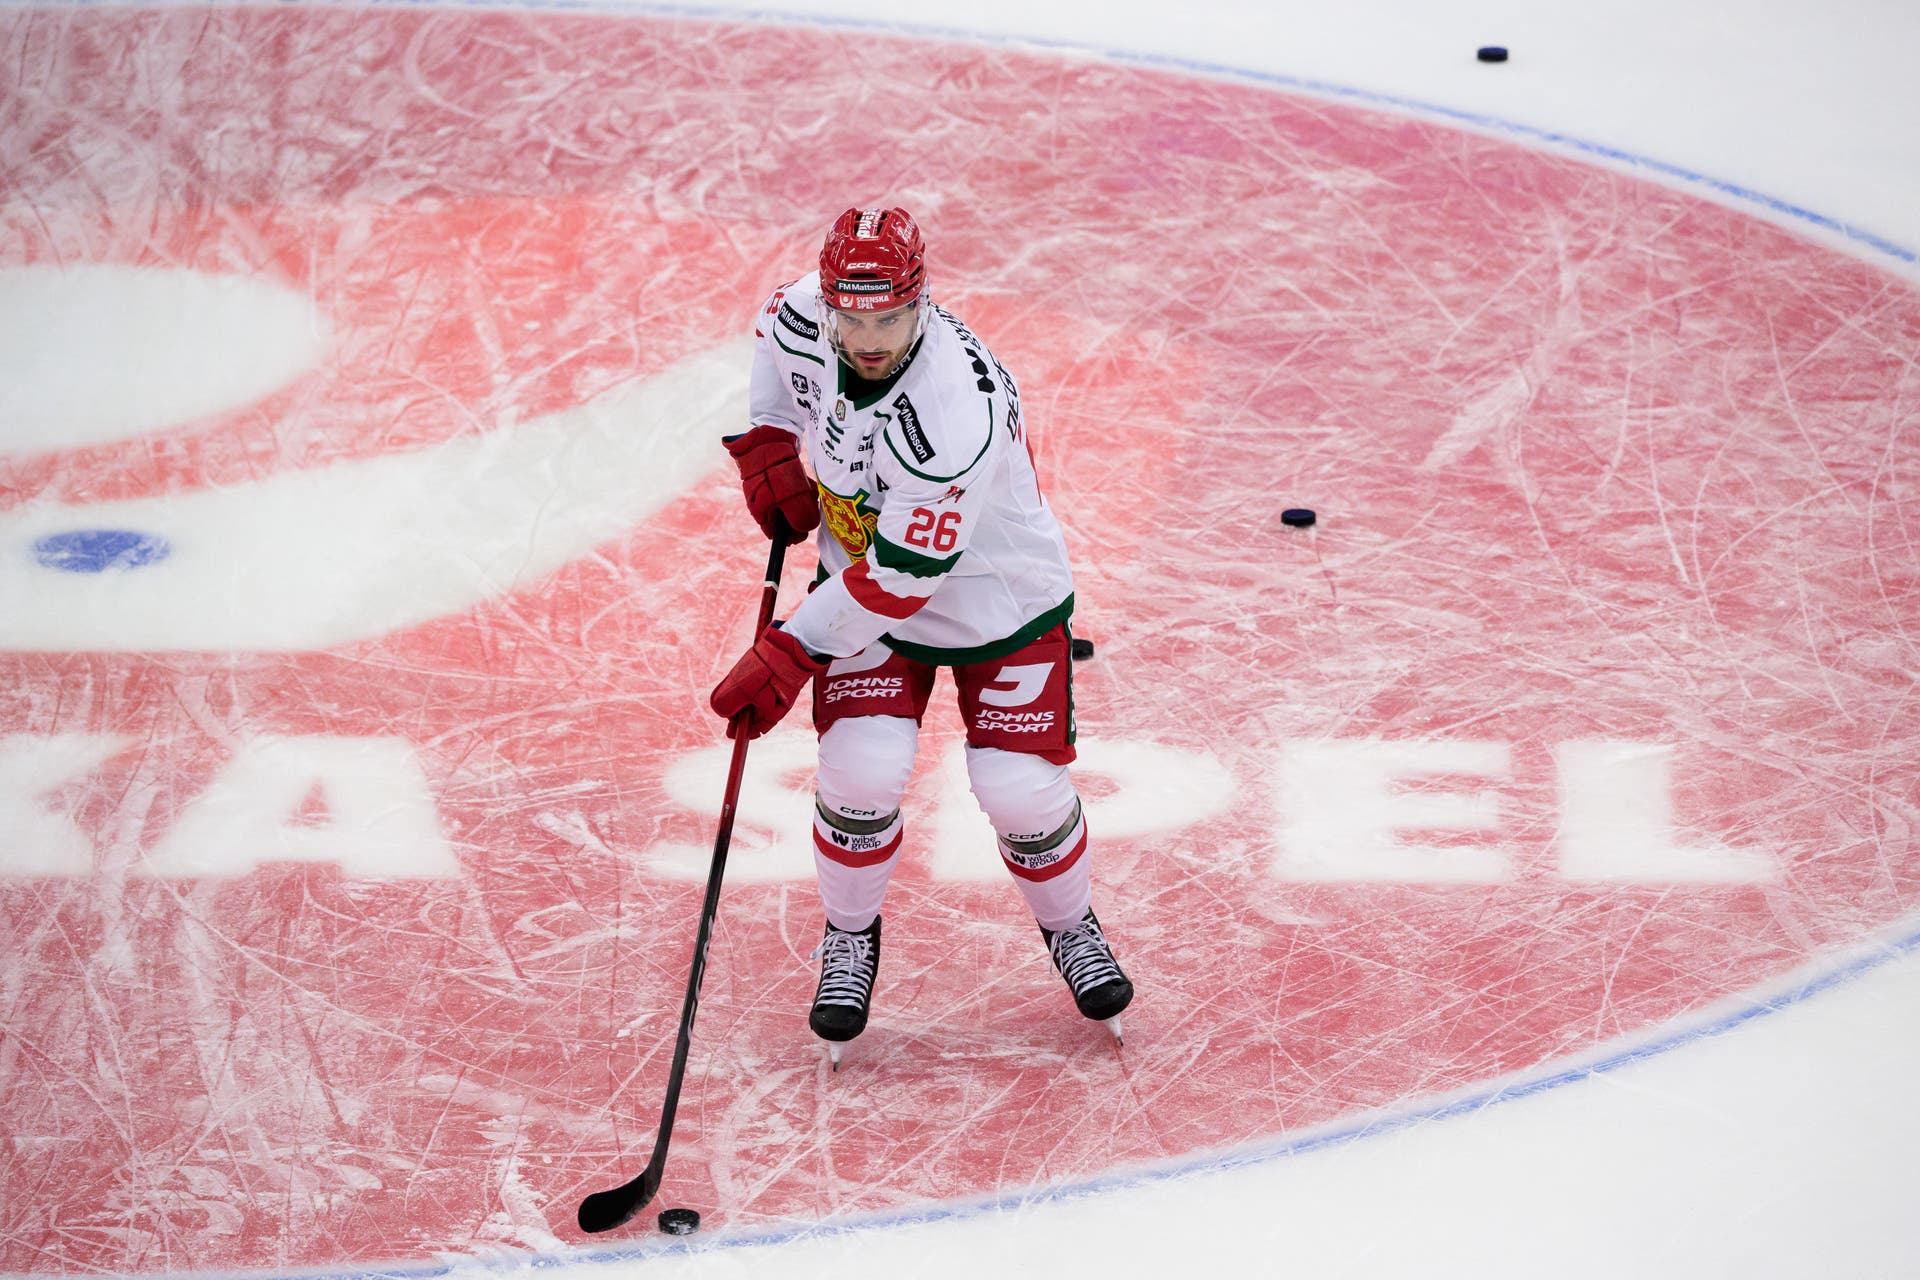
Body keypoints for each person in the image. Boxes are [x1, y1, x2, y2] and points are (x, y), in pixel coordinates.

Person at [708, 206, 1133, 1063]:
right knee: (860, 770)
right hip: (864, 580)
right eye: (853, 320)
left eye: (889, 320)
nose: (868, 341)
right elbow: (773, 350)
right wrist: (769, 444)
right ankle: (848, 937)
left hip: (992, 599)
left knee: (1019, 790)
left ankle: (1070, 926)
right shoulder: (802, 310)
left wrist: (792, 649)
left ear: (921, 302)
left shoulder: (952, 415)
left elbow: (902, 580)